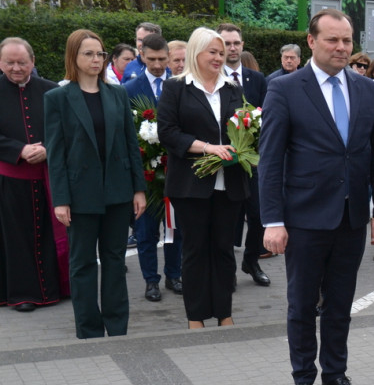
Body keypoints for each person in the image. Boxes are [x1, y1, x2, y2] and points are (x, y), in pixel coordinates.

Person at [259, 9, 374, 385]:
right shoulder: (285, 89)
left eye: (347, 40)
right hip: (303, 219)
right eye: (333, 40)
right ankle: (303, 380)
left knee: (340, 303)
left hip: (351, 218)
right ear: (311, 41)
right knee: (301, 304)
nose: (341, 47)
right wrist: (273, 220)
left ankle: (335, 376)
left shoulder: (366, 90)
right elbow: (271, 160)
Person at [45, 29, 147, 338]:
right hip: (80, 194)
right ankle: (88, 328)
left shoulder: (116, 94)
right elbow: (56, 153)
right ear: (73, 57)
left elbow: (131, 144)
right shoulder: (57, 98)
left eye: (99, 53)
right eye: (88, 54)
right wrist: (60, 198)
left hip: (117, 191)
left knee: (115, 260)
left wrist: (138, 188)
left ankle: (116, 326)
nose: (96, 59)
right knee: (83, 262)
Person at [157, 27, 247, 329]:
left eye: (222, 53)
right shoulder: (176, 87)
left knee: (224, 249)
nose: (220, 58)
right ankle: (195, 317)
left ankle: (225, 313)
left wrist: (244, 144)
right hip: (190, 184)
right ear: (197, 53)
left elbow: (244, 126)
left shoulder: (233, 88)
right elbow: (168, 133)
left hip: (229, 183)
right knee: (195, 250)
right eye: (213, 52)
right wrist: (208, 148)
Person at [0, 37, 66, 313]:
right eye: (9, 62)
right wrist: (19, 150)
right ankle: (22, 293)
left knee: (50, 235)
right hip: (9, 179)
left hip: (48, 177)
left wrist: (48, 149)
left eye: (21, 62)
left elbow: (67, 131)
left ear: (33, 62)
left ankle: (56, 287)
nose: (16, 68)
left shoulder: (51, 91)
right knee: (15, 237)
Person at [124, 33, 182, 302]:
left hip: (177, 172)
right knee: (146, 231)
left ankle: (174, 275)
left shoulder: (181, 86)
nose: (158, 65)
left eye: (162, 59)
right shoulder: (129, 90)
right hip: (146, 176)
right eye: (152, 59)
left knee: (175, 229)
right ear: (142, 57)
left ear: (169, 57)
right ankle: (150, 281)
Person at [216, 23, 271, 287]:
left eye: (236, 42)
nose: (233, 47)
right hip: (224, 160)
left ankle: (252, 260)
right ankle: (227, 271)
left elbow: (268, 114)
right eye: (227, 43)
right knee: (228, 218)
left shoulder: (256, 79)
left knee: (259, 215)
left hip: (255, 160)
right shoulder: (213, 78)